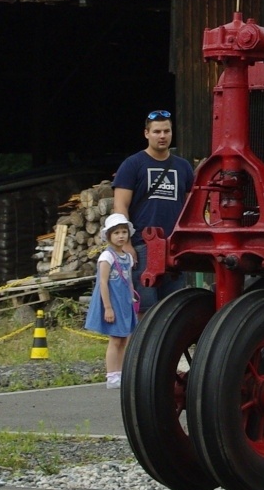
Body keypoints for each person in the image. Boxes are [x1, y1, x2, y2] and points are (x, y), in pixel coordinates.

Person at [112, 110, 195, 313]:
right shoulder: (132, 165)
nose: (162, 136)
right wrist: (127, 244)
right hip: (142, 246)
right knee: (145, 309)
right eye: (157, 131)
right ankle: (142, 345)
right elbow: (120, 206)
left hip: (174, 246)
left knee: (173, 309)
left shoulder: (183, 167)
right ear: (146, 133)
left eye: (166, 131)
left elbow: (189, 207)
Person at [84, 213, 139, 389]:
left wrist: (131, 299)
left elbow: (129, 280)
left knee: (124, 339)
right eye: (116, 233)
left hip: (124, 302)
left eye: (124, 232)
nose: (121, 236)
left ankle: (121, 372)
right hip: (112, 302)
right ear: (108, 236)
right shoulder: (106, 257)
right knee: (115, 339)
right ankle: (112, 374)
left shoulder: (127, 257)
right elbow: (102, 283)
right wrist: (108, 307)